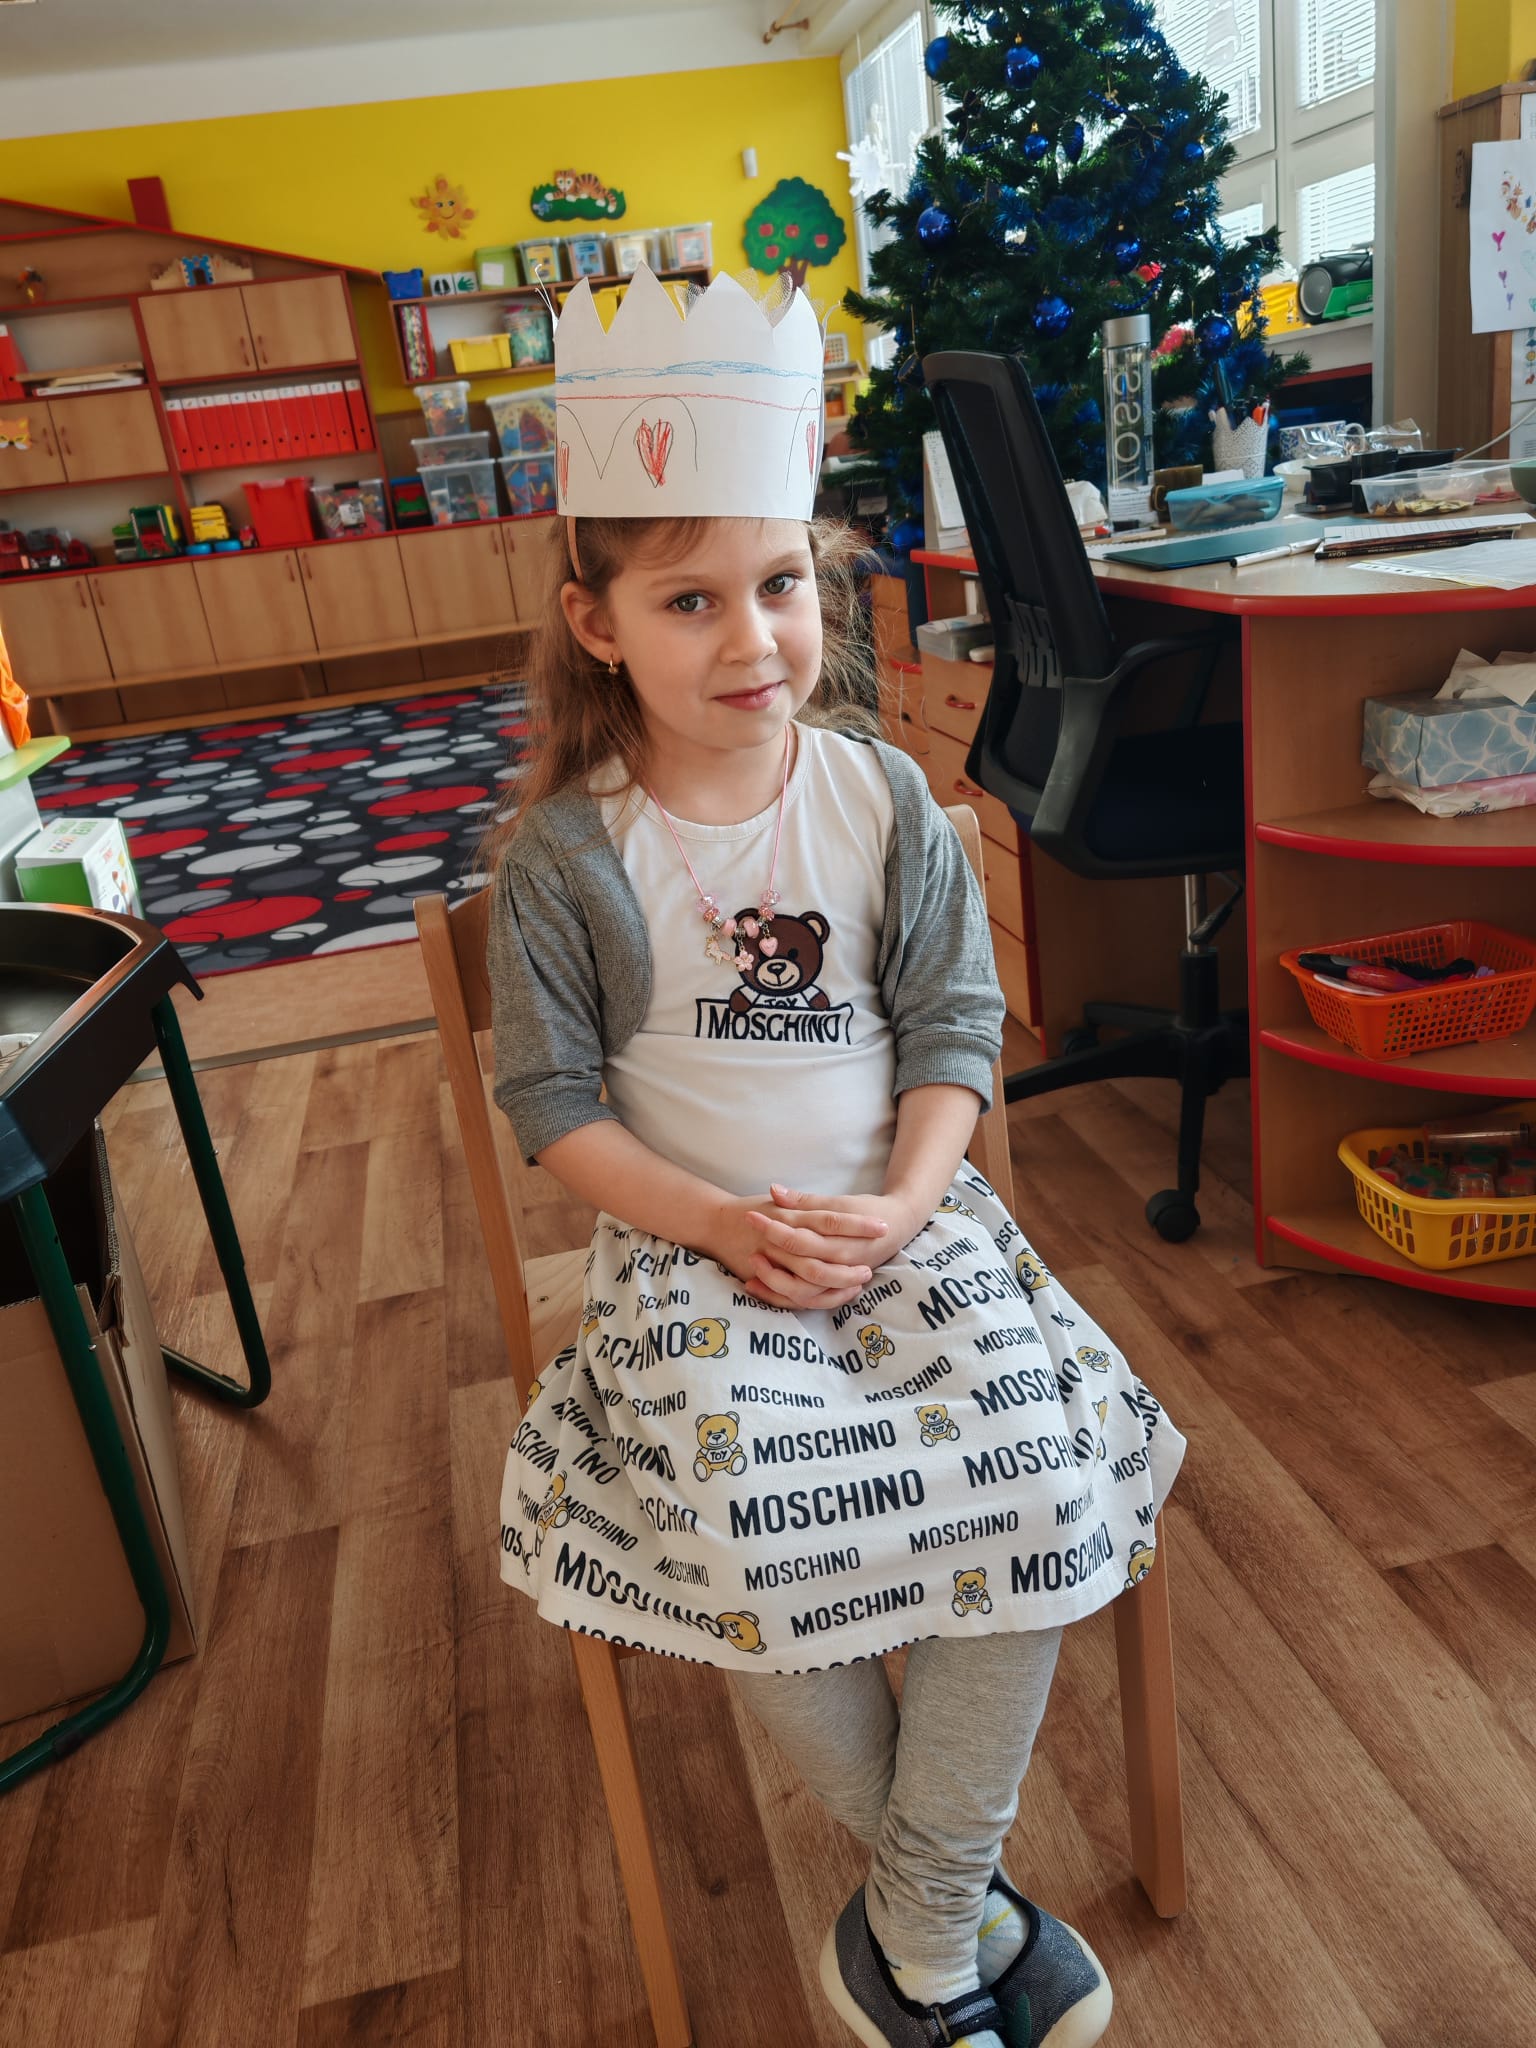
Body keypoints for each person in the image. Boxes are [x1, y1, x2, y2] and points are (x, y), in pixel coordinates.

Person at [483, 267, 1185, 2048]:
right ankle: (950, 1917)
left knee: (1037, 1482)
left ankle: (916, 1921)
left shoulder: (880, 801)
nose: (754, 640)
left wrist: (903, 1204)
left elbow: (956, 1035)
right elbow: (553, 1107)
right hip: (690, 1256)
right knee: (747, 1529)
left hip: (909, 1222)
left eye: (783, 584)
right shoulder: (568, 856)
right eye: (691, 599)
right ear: (595, 622)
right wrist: (724, 1225)